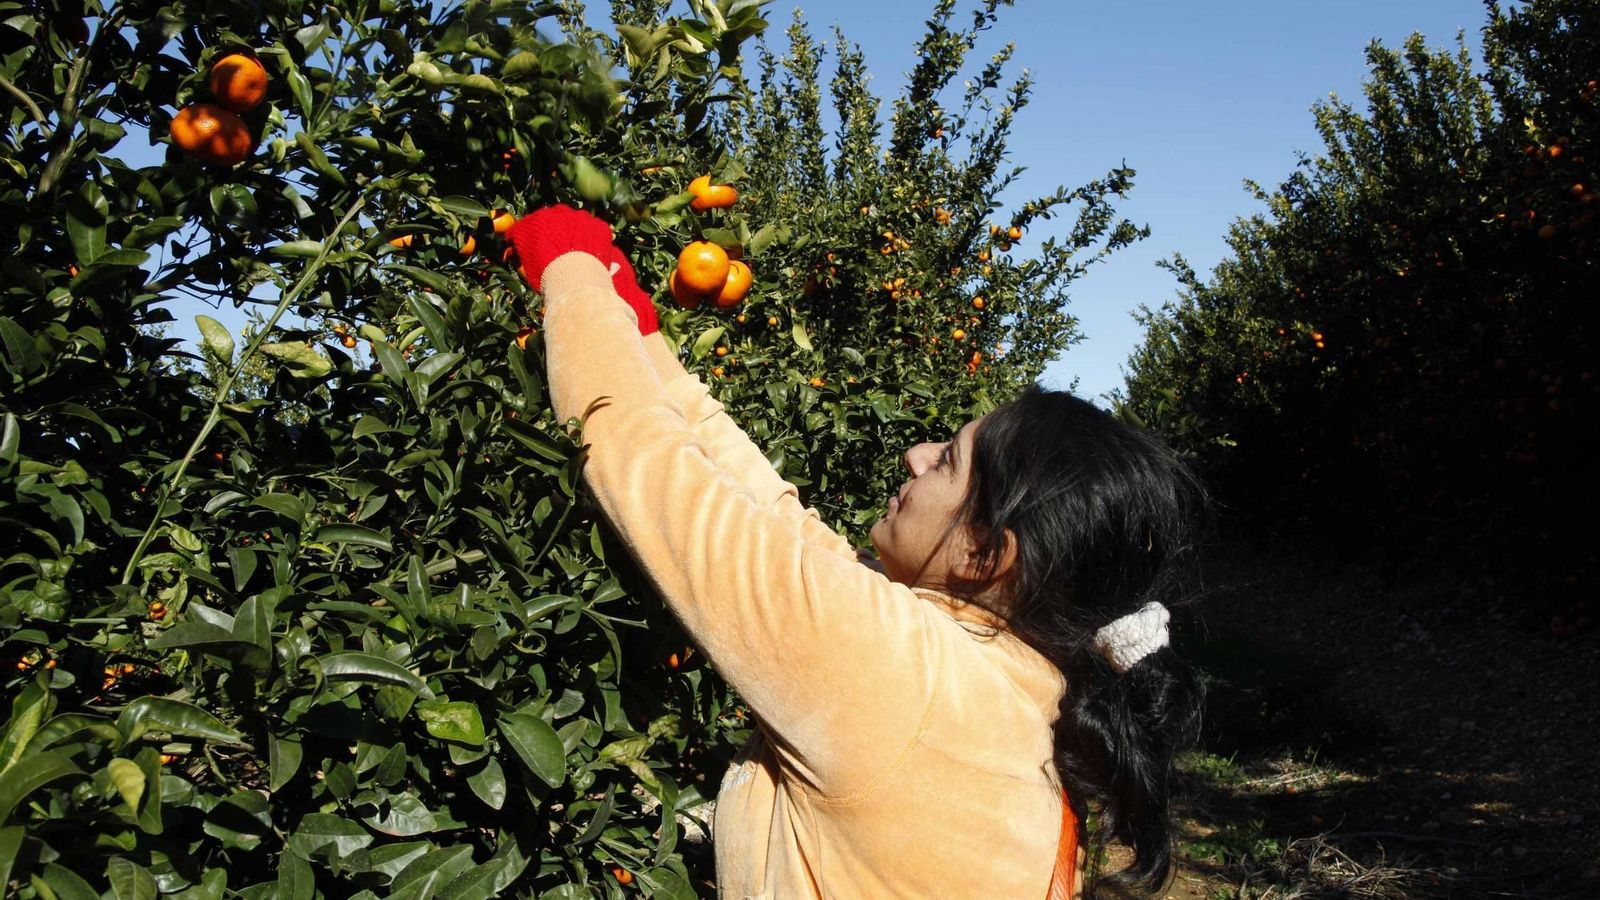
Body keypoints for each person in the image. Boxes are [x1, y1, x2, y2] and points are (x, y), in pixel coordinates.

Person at [507, 205, 1206, 898]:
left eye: (948, 462)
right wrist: (644, 339)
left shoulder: (905, 677)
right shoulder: (1002, 689)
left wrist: (569, 265)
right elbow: (776, 524)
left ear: (987, 553)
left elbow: (652, 470)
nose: (915, 455)